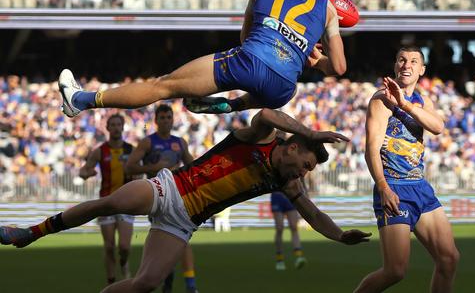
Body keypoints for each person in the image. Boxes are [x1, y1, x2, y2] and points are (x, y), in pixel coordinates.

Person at [0, 108, 371, 293]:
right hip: (170, 188)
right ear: (292, 147)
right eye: (304, 164)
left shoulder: (287, 184)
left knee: (146, 283)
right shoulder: (262, 137)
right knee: (110, 204)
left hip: (184, 222)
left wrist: (339, 236)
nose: (302, 174)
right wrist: (311, 131)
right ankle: (30, 232)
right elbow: (265, 114)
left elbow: (314, 214)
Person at [58, 0, 345, 118]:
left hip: (252, 60)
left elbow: (246, 38)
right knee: (270, 86)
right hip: (284, 87)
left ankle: (80, 100)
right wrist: (312, 58)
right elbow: (339, 68)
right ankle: (230, 107)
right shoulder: (329, 9)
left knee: (163, 86)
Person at [355, 47, 459, 293]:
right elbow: (371, 148)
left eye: (413, 61)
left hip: (420, 186)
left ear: (422, 70)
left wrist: (406, 104)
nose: (406, 65)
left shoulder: (423, 101)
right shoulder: (382, 99)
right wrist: (383, 187)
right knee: (395, 271)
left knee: (449, 258)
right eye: (401, 60)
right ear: (395, 66)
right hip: (394, 186)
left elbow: (438, 127)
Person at [125, 104, 198, 293]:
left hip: (178, 195)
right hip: (157, 196)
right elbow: (130, 167)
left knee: (181, 236)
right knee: (171, 238)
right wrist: (152, 168)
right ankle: (171, 279)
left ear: (173, 119)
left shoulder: (180, 143)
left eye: (169, 117)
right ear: (156, 121)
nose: (166, 121)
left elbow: (193, 168)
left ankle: (186, 284)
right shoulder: (148, 142)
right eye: (162, 118)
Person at [79, 113, 136, 286]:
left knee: (124, 247)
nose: (116, 127)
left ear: (123, 127)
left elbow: (140, 170)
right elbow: (83, 171)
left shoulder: (131, 150)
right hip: (106, 202)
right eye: (113, 124)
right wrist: (88, 173)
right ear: (108, 128)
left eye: (119, 124)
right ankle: (111, 282)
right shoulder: (100, 151)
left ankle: (124, 262)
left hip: (127, 203)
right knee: (109, 246)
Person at [271, 190, 307, 270]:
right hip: (277, 196)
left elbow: (300, 180)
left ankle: (299, 256)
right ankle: (279, 259)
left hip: (290, 195)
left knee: (294, 227)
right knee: (279, 228)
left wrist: (305, 195)